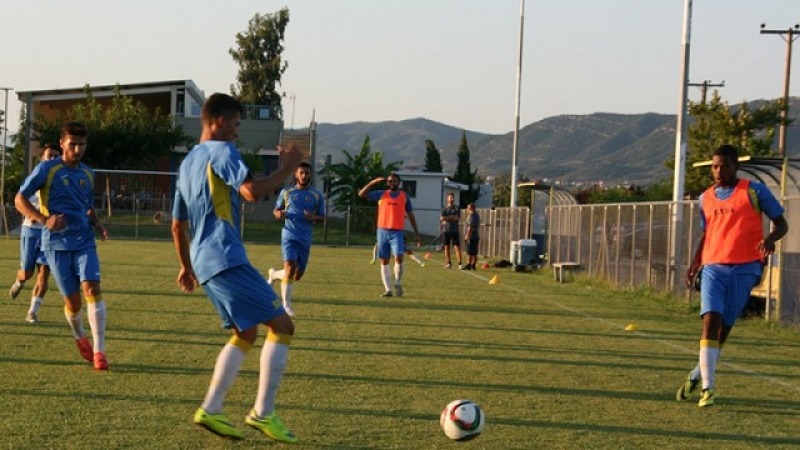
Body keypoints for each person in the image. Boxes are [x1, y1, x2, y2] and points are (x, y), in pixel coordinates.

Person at [171, 93, 302, 443]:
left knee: (246, 333)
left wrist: (186, 267)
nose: (236, 133)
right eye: (235, 124)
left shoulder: (185, 165)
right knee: (283, 326)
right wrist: (288, 169)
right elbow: (249, 191)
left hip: (204, 261)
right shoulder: (222, 152)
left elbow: (177, 225)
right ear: (219, 122)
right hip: (225, 255)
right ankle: (263, 413)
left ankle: (212, 409)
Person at [676, 144, 788, 408]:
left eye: (724, 165)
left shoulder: (754, 191)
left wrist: (770, 239)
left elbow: (782, 224)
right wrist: (695, 263)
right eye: (715, 166)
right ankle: (708, 389)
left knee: (723, 330)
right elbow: (708, 233)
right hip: (713, 266)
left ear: (735, 166)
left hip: (746, 267)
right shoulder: (705, 198)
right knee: (710, 320)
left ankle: (696, 374)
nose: (718, 171)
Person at [15, 122, 111, 370]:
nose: (77, 149)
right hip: (55, 245)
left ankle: (100, 351)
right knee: (74, 304)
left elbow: (87, 207)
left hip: (84, 241)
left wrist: (98, 225)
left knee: (92, 287)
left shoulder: (89, 174)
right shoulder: (47, 169)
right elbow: (19, 199)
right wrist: (44, 219)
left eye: (82, 144)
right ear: (62, 143)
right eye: (73, 144)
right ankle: (80, 336)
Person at [9, 144, 62, 323]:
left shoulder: (61, 181)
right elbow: (21, 200)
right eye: (50, 155)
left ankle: (32, 311)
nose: (53, 159)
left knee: (44, 272)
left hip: (50, 233)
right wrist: (32, 215)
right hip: (31, 231)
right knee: (27, 273)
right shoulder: (35, 178)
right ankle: (19, 281)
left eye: (57, 156)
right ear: (42, 158)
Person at [267, 161, 325, 318]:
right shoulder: (287, 192)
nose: (304, 175)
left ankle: (273, 275)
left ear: (311, 175)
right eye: (301, 173)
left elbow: (322, 217)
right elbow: (277, 209)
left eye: (307, 173)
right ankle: (285, 306)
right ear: (296, 174)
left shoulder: (316, 195)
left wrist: (313, 217)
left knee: (296, 275)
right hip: (289, 234)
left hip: (305, 237)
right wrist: (278, 214)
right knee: (290, 267)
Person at [358, 174, 421, 297]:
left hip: (397, 232)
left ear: (399, 182)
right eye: (390, 181)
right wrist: (373, 182)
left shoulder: (404, 197)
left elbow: (411, 215)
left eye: (395, 181)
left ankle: (397, 282)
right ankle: (388, 289)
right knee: (384, 261)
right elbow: (361, 194)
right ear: (387, 183)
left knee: (398, 257)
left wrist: (417, 233)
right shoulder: (382, 194)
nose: (393, 183)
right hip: (383, 231)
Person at [440, 192, 462, 269]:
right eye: (450, 197)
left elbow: (457, 218)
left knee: (457, 247)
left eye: (453, 197)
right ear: (447, 198)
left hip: (455, 230)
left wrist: (447, 218)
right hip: (446, 230)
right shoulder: (445, 208)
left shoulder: (457, 208)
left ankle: (459, 263)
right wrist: (451, 217)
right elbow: (442, 218)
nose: (452, 199)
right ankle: (449, 262)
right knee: (447, 247)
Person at [462, 203, 480, 270]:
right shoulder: (476, 215)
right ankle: (473, 265)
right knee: (474, 252)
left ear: (470, 208)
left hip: (472, 236)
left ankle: (469, 264)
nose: (467, 209)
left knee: (469, 251)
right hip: (475, 236)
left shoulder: (472, 216)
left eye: (468, 208)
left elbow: (471, 227)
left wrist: (467, 235)